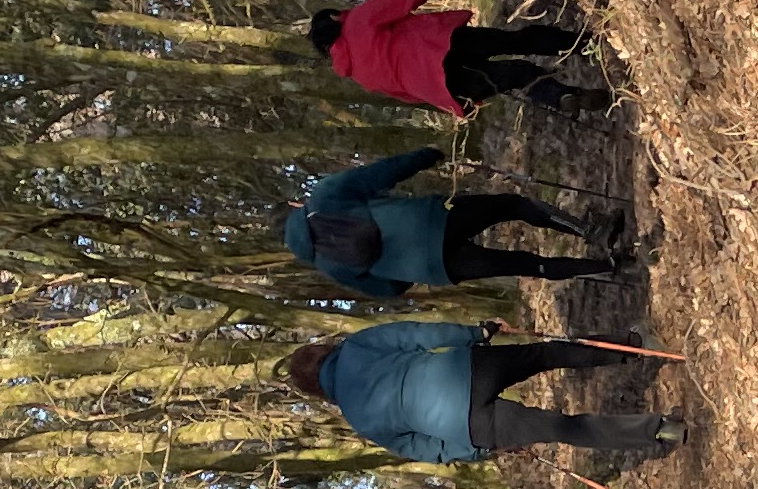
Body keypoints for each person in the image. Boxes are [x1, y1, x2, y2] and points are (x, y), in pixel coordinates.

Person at [282, 323, 671, 462]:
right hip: (464, 371)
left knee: (564, 429)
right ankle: (634, 344)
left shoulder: (358, 419)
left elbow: (423, 449)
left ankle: (661, 430)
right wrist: (472, 334)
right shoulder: (357, 346)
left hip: (470, 425)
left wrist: (475, 450)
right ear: (322, 351)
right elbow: (417, 335)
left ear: (317, 391)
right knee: (547, 353)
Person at [287, 146, 620, 304]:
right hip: (435, 219)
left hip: (437, 267)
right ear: (296, 209)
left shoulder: (329, 266)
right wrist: (426, 156)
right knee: (512, 206)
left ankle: (605, 268)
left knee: (528, 264)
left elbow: (387, 289)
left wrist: (410, 269)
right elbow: (382, 173)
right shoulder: (325, 197)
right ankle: (591, 231)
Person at [314, 0, 604, 116]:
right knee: (515, 41)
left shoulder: (359, 75)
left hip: (445, 84)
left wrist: (454, 102)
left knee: (518, 75)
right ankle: (586, 42)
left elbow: (407, 94)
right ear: (336, 18)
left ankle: (563, 97)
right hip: (444, 44)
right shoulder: (356, 22)